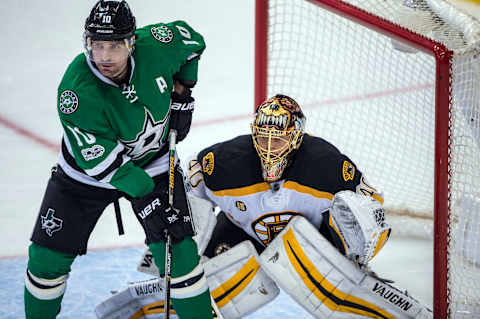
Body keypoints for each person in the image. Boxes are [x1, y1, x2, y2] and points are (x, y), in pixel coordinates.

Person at [98, 95, 432, 319]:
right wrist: (166, 260)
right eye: (263, 137)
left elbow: (372, 211)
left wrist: (357, 256)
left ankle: (365, 295)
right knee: (202, 269)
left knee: (319, 253)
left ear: (298, 137)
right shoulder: (221, 163)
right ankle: (154, 301)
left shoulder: (327, 166)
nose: (270, 147)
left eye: (279, 139)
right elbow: (187, 209)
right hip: (245, 237)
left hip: (316, 247)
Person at [24, 1, 212, 318]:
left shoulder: (159, 43)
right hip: (84, 176)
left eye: (114, 45)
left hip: (154, 162)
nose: (105, 57)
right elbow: (105, 167)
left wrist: (183, 93)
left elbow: (194, 43)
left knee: (178, 253)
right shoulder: (76, 93)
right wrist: (152, 202)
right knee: (46, 260)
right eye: (97, 45)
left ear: (132, 41)